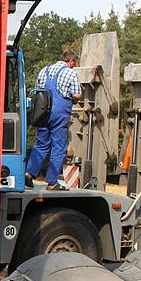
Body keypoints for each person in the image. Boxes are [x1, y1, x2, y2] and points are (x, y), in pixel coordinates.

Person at [27, 47, 82, 190]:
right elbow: (77, 95)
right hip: (59, 113)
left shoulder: (44, 70)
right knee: (59, 147)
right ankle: (52, 182)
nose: (75, 66)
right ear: (71, 61)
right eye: (75, 63)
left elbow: (38, 89)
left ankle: (29, 173)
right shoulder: (70, 73)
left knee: (41, 144)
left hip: (43, 112)